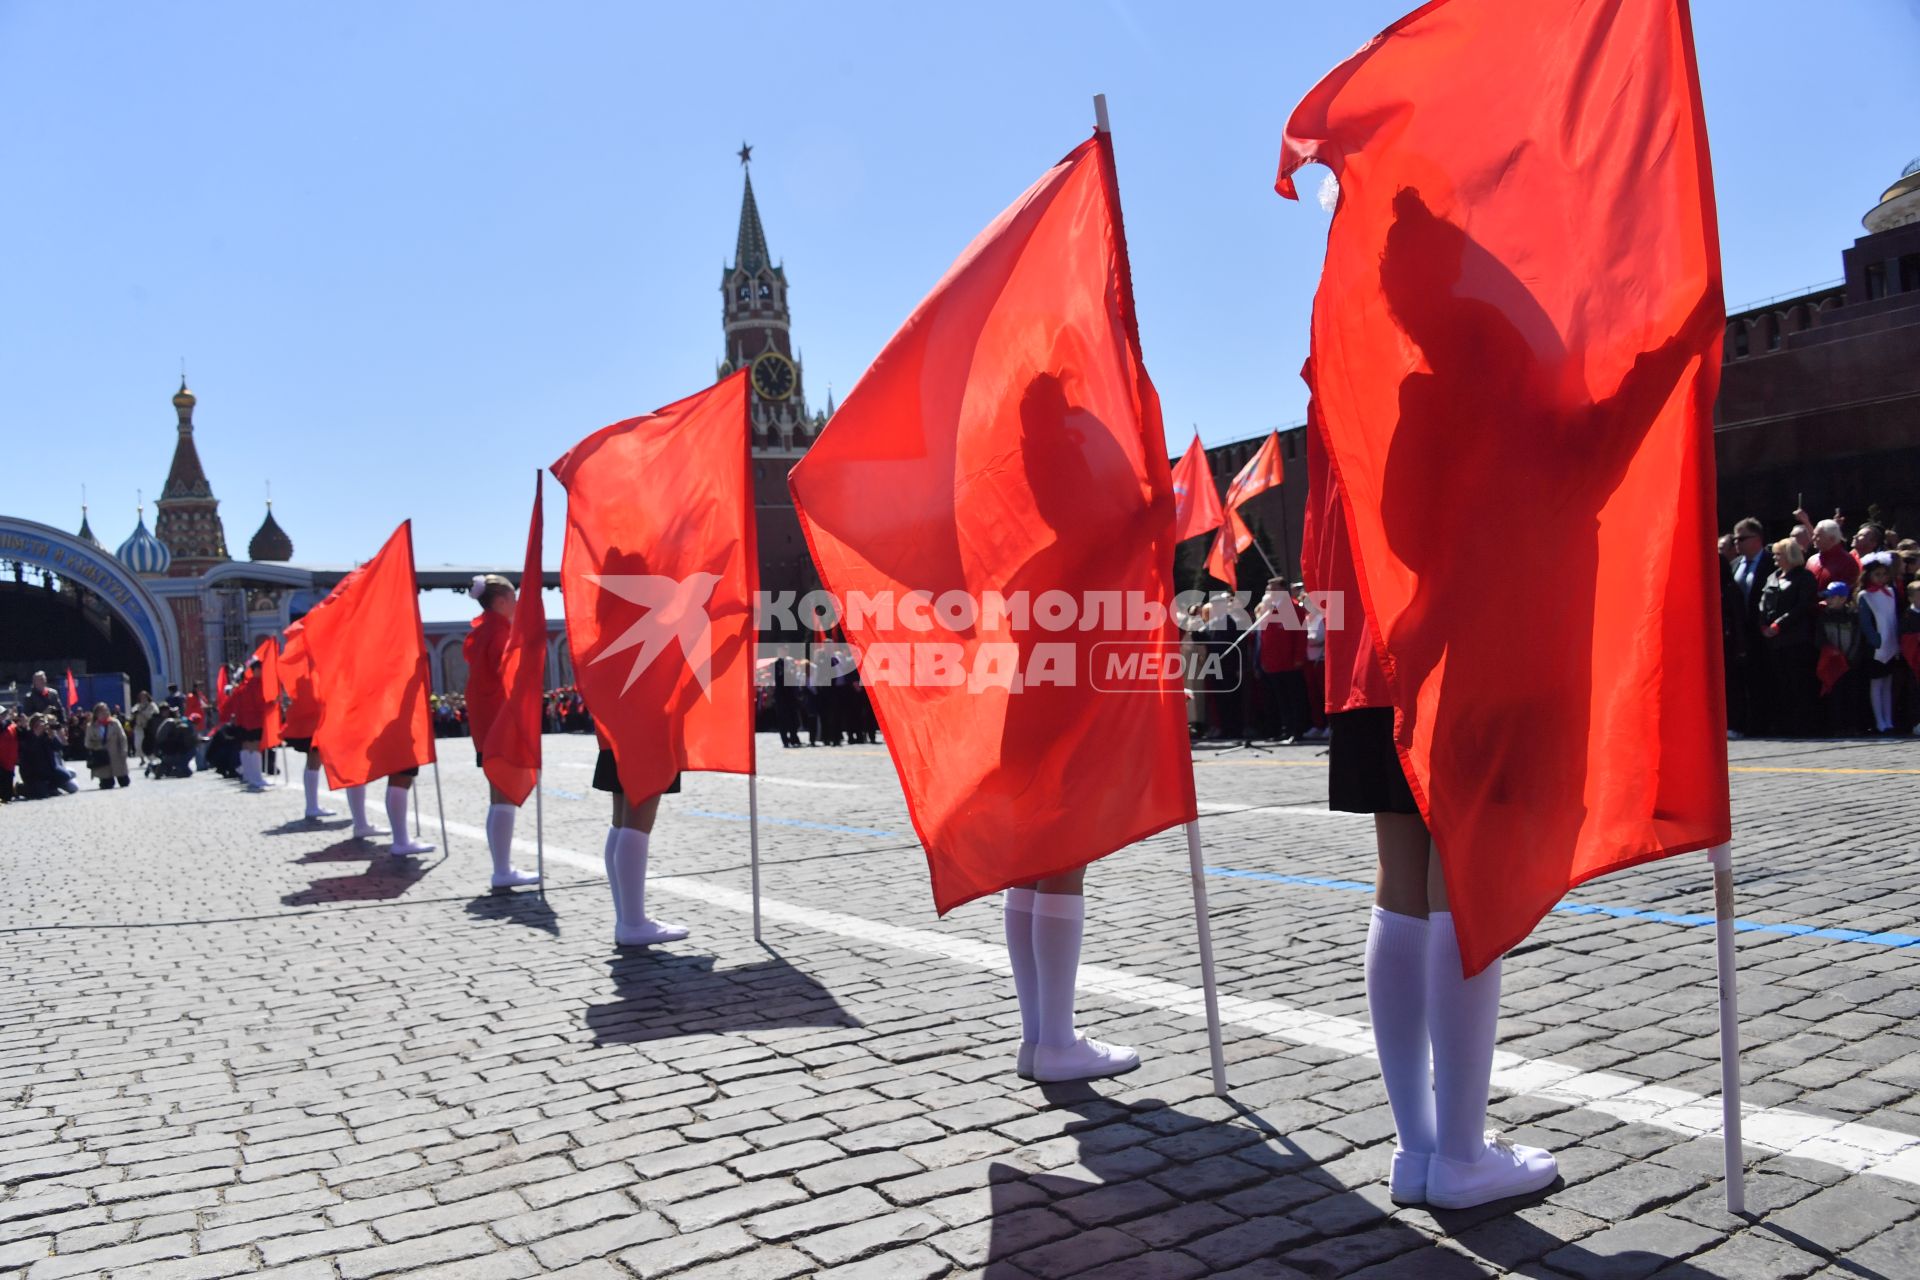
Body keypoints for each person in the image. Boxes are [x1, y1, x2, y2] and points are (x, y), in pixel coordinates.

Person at [1302, 417, 1555, 1210]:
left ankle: (1417, 1149)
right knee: (1459, 878)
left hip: (1373, 652)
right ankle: (1463, 1155)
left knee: (1400, 879)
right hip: (1461, 637)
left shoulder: (1339, 362)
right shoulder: (1467, 341)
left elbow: (1318, 540)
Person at [464, 574, 539, 890]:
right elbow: (509, 672)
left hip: (485, 722)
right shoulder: (499, 632)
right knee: (503, 794)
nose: (518, 602)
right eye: (515, 597)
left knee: (498, 796)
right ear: (502, 601)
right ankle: (502, 870)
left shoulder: (481, 630)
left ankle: (502, 867)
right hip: (499, 722)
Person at [594, 728, 689, 947]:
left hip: (619, 723)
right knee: (636, 820)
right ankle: (633, 924)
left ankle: (626, 919)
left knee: (621, 820)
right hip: (646, 723)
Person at [1760, 537, 1819, 738]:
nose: (1776, 557)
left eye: (1780, 554)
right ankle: (1782, 724)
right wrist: (1763, 624)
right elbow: (1763, 602)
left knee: (1798, 683)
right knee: (1779, 683)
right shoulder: (1772, 577)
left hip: (1796, 639)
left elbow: (1802, 607)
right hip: (1774, 642)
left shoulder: (1804, 578)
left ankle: (1802, 725)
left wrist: (1779, 625)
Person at [1857, 552, 1901, 734]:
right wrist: (1875, 639)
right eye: (1877, 574)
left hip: (1891, 643)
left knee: (1888, 683)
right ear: (1868, 575)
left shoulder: (1891, 592)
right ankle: (1879, 721)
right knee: (1876, 683)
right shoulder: (1865, 596)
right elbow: (1865, 623)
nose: (1881, 578)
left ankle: (1888, 720)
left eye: (1884, 574)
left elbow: (1894, 617)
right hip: (1876, 646)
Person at [229, 659, 270, 792]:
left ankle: (249, 776)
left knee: (247, 747)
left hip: (244, 720)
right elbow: (260, 703)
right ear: (256, 670)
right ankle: (256, 778)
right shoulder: (256, 684)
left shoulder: (243, 686)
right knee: (255, 747)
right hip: (255, 720)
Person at [83, 702, 131, 789]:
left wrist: (124, 750)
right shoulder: (91, 726)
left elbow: (122, 738)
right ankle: (106, 780)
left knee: (124, 782)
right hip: (102, 757)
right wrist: (96, 744)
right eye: (102, 712)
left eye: (106, 711)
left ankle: (121, 777)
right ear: (96, 714)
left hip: (116, 754)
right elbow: (87, 743)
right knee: (107, 785)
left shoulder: (115, 723)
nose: (105, 713)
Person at [130, 691, 158, 762]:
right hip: (139, 727)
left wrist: (142, 713)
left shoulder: (151, 705)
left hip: (148, 727)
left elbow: (154, 713)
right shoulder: (137, 706)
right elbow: (132, 713)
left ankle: (151, 758)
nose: (143, 698)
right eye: (141, 697)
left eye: (144, 696)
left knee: (149, 744)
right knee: (138, 743)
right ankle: (142, 759)